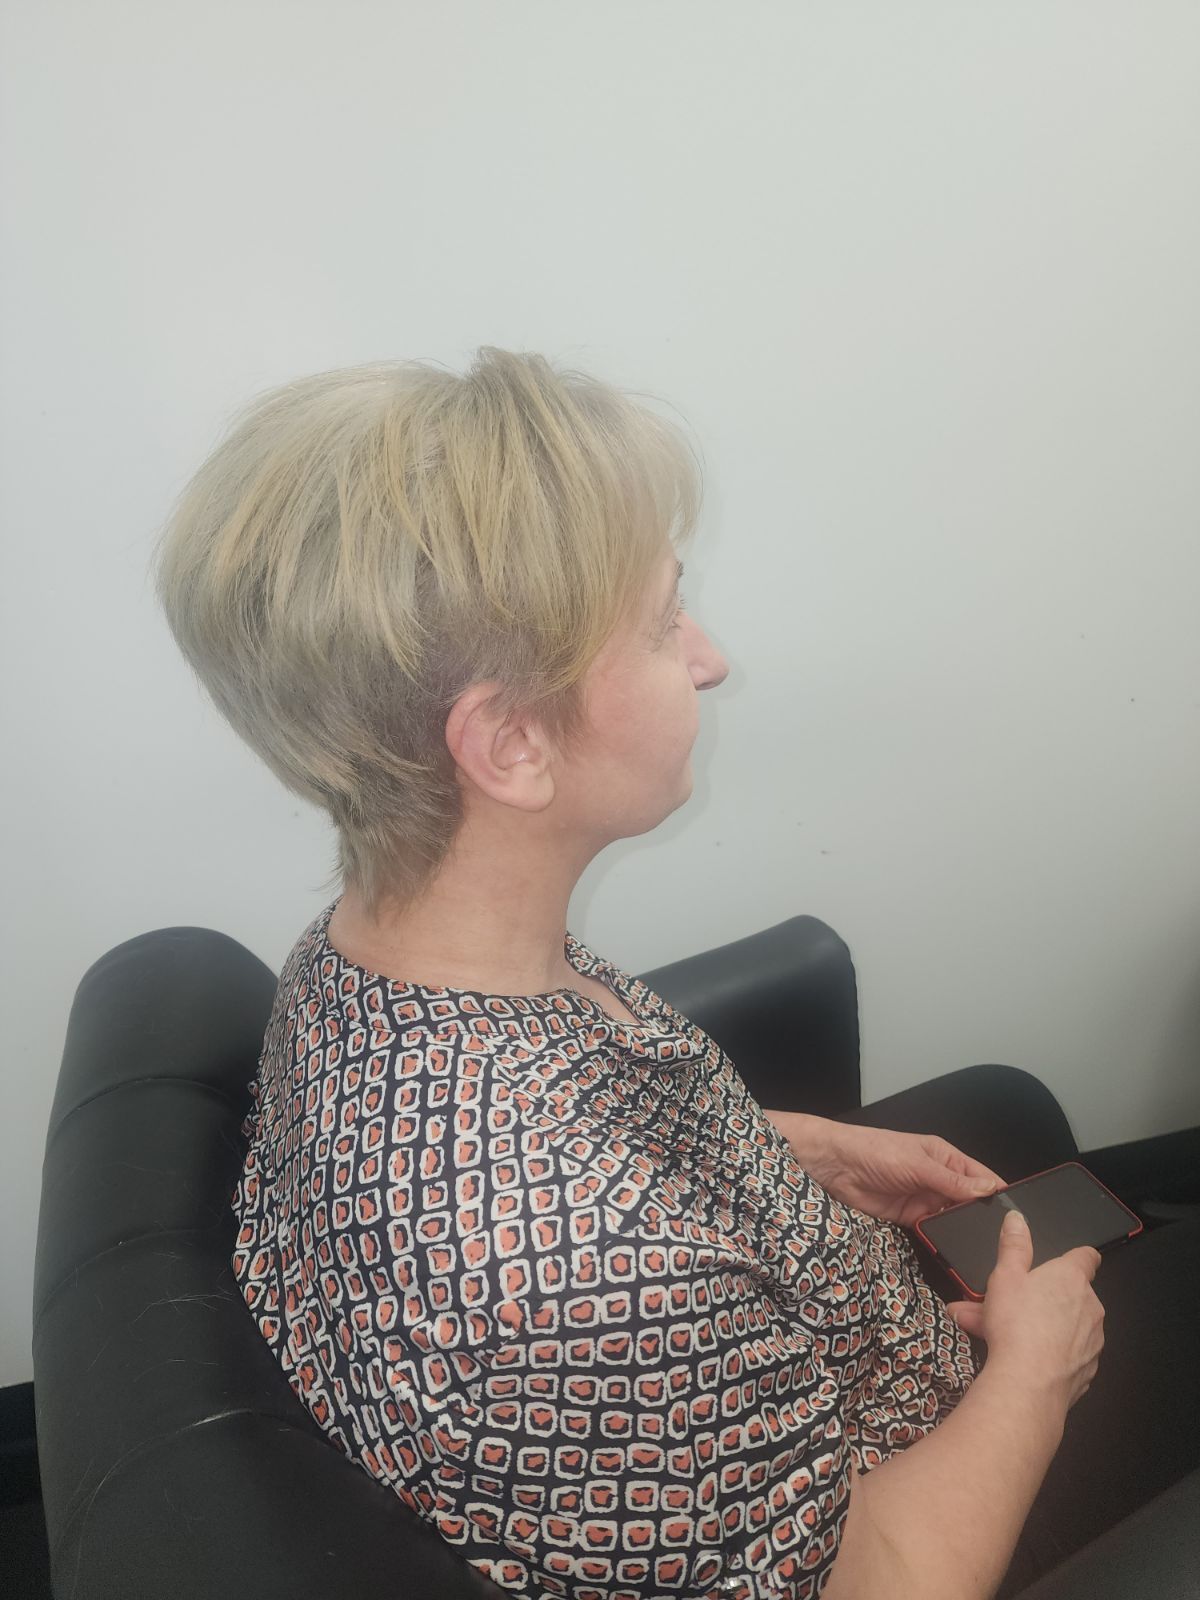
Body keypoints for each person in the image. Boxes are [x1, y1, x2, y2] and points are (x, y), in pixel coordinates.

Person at [151, 348, 1199, 1599]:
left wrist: (794, 1149)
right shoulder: (563, 1294)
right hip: (890, 1515)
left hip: (787, 1356)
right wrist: (1037, 1372)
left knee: (1010, 1107)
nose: (705, 658)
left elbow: (585, 1110)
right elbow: (876, 1577)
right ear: (511, 742)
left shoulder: (369, 961)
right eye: (661, 623)